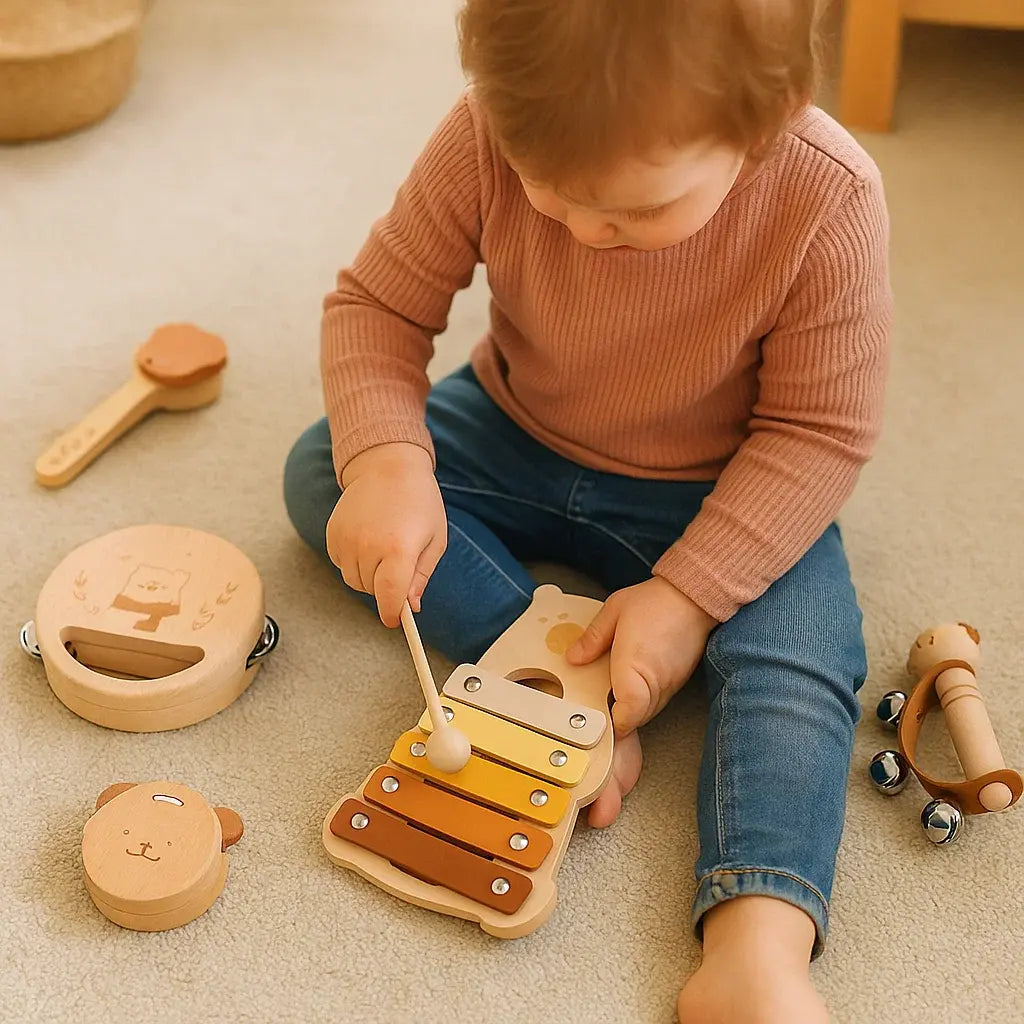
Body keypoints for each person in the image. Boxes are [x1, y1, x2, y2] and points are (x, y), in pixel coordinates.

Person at [284, 1, 892, 1019]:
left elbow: (818, 435)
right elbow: (378, 307)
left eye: (636, 210)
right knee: (325, 467)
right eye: (547, 191)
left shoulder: (828, 197)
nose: (579, 229)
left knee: (807, 648)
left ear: (769, 117)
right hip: (514, 427)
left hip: (721, 487)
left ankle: (757, 942)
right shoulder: (484, 126)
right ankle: (558, 682)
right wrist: (388, 463)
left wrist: (693, 594)